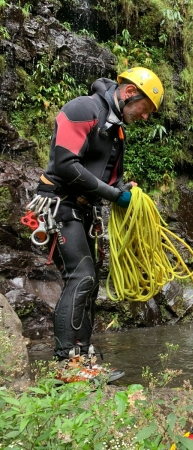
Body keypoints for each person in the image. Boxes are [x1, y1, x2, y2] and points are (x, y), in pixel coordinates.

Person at [33, 67, 164, 380]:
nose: (146, 118)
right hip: (59, 203)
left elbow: (107, 178)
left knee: (88, 285)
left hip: (82, 209)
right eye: (146, 109)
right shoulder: (83, 109)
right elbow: (65, 165)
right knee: (82, 277)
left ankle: (83, 360)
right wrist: (113, 195)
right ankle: (68, 364)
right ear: (131, 92)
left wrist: (123, 190)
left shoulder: (116, 131)